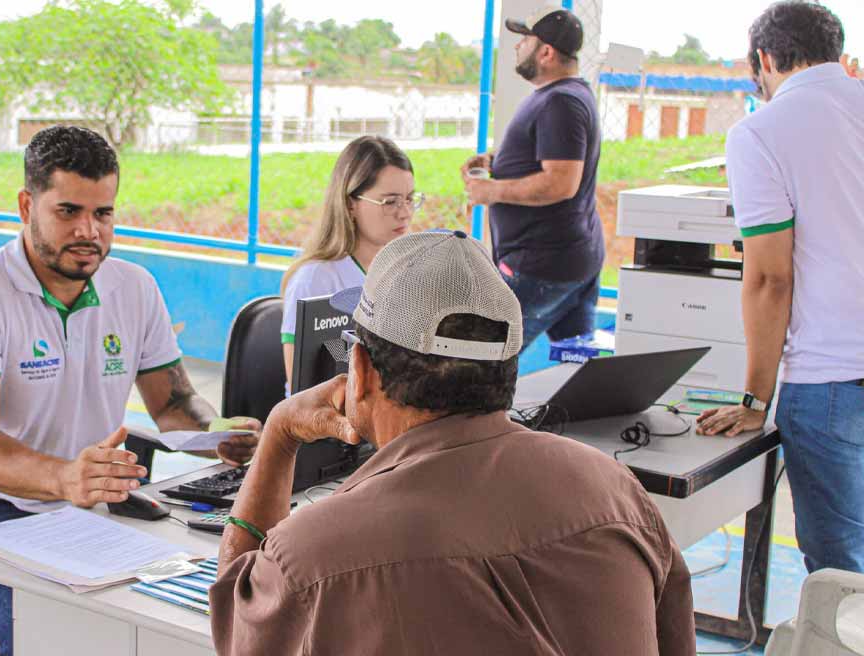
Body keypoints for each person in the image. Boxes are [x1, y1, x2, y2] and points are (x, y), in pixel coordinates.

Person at [210, 230, 695, 655]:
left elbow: (238, 635)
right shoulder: (617, 491)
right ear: (508, 370)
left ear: (359, 371)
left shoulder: (313, 552)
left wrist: (278, 436)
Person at [0, 126, 259, 656]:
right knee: (43, 641)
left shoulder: (133, 287)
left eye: (103, 214)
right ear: (27, 205)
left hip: (87, 507)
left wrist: (218, 434)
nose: (89, 231)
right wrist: (63, 478)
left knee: (184, 618)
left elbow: (172, 402)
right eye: (68, 211)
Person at [697, 2, 864, 576]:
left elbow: (770, 277)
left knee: (842, 574)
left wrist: (753, 400)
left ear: (764, 60)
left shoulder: (761, 132)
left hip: (835, 377)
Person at [461, 6, 604, 353]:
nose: (516, 46)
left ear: (546, 52)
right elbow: (552, 157)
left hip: (542, 263)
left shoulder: (562, 102)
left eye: (525, 39)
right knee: (573, 364)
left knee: (483, 360)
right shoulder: (563, 97)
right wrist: (499, 161)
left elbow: (560, 182)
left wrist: (489, 191)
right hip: (566, 258)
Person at [279, 136, 420, 385]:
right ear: (349, 203)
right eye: (390, 201)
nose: (405, 212)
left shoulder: (407, 271)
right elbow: (304, 387)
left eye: (409, 198)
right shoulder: (317, 279)